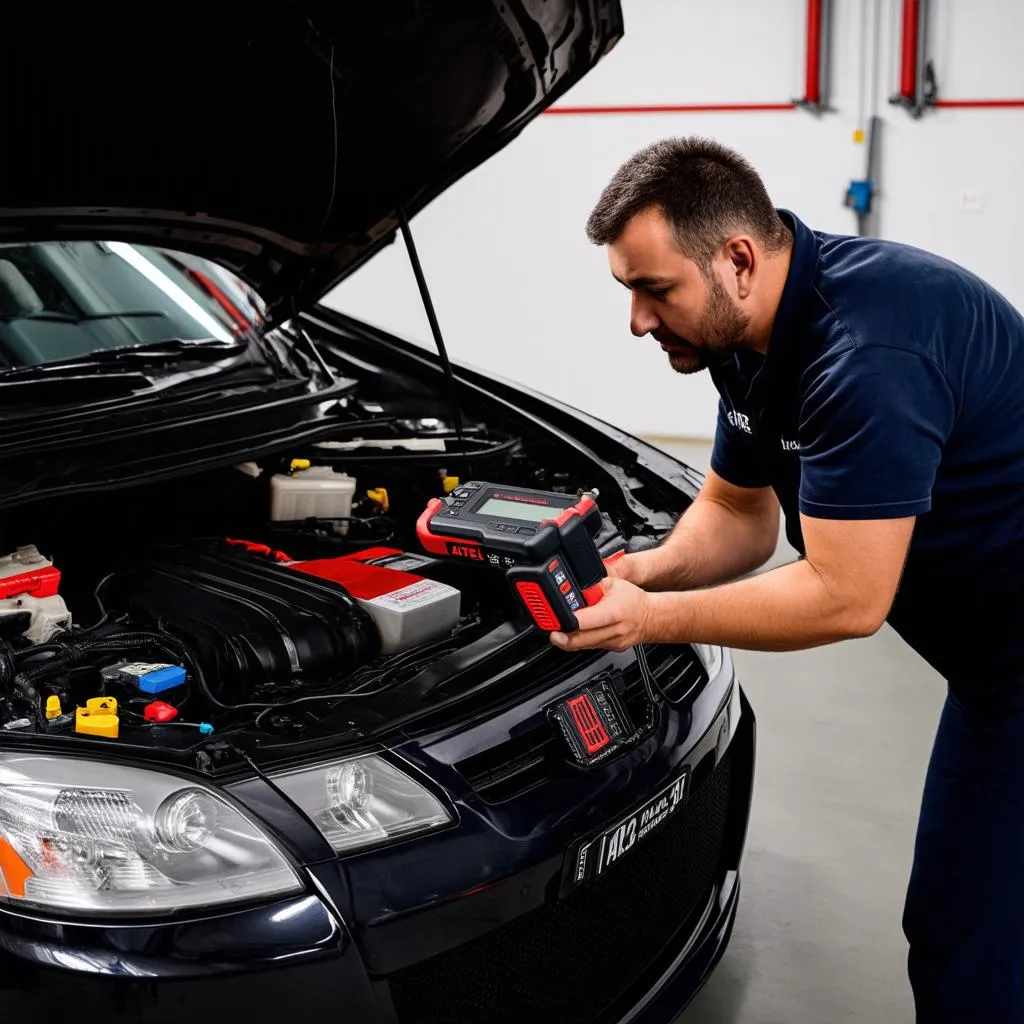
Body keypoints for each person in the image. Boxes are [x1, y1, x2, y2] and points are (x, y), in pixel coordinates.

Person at [553, 136, 1024, 1022]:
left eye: (655, 291)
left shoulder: (869, 351)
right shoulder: (746, 337)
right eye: (628, 291)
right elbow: (739, 514)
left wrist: (648, 619)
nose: (639, 322)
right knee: (966, 925)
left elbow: (847, 597)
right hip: (992, 664)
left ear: (736, 259)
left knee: (977, 936)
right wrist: (638, 570)